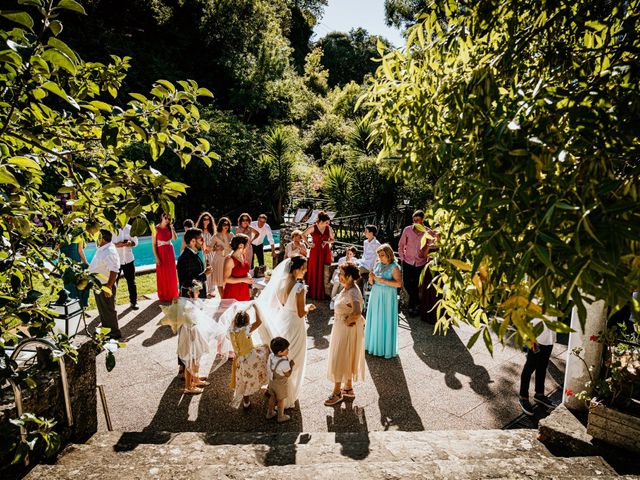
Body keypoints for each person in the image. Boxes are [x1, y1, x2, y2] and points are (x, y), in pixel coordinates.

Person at [254, 255, 315, 409]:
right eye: (304, 268)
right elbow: (301, 312)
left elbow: (282, 303)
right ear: (298, 269)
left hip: (284, 319)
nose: (306, 270)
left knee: (283, 356)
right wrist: (309, 307)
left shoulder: (283, 283)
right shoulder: (300, 287)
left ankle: (276, 389)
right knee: (294, 358)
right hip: (295, 323)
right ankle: (286, 397)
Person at [325, 262, 366, 406]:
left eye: (341, 274)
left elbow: (357, 312)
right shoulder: (347, 288)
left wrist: (349, 320)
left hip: (346, 330)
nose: (339, 276)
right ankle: (348, 387)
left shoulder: (353, 292)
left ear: (349, 276)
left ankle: (337, 392)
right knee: (347, 356)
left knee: (340, 357)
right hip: (341, 328)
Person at [365, 244, 402, 359]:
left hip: (387, 297)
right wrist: (371, 278)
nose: (380, 257)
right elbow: (372, 283)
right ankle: (373, 345)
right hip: (375, 295)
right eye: (379, 255)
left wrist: (382, 280)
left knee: (385, 319)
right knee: (375, 319)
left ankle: (384, 348)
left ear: (389, 254)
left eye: (382, 255)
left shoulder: (394, 267)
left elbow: (399, 284)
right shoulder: (378, 265)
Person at [229, 305, 269, 409]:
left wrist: (238, 313)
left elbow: (233, 322)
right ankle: (267, 384)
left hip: (239, 360)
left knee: (244, 380)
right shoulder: (246, 329)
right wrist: (256, 307)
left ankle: (246, 403)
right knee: (265, 351)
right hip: (250, 357)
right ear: (247, 322)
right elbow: (259, 321)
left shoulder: (231, 330)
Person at [518, 316, 556, 416]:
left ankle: (539, 394)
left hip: (549, 336)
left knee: (542, 366)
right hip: (536, 338)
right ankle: (523, 397)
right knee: (529, 367)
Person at [88, 229, 122, 339]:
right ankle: (107, 331)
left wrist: (108, 286)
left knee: (108, 310)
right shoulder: (104, 248)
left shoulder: (109, 251)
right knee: (103, 310)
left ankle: (114, 334)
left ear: (102, 238)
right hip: (100, 285)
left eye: (97, 235)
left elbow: (114, 270)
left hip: (105, 285)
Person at [397, 210, 430, 316]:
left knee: (416, 284)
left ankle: (412, 307)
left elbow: (433, 245)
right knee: (406, 283)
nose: (415, 222)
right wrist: (402, 257)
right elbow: (401, 245)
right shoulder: (407, 230)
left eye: (418, 220)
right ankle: (417, 303)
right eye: (414, 220)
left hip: (421, 262)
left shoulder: (428, 232)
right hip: (407, 261)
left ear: (422, 220)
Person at [302, 211, 334, 300]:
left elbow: (333, 240)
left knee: (324, 270)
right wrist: (309, 244)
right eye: (326, 222)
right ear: (321, 221)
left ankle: (323, 293)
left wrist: (327, 242)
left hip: (325, 251)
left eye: (328, 222)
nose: (328, 224)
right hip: (315, 252)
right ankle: (312, 292)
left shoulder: (328, 228)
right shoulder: (313, 227)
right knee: (314, 269)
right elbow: (303, 234)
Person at [266, 336, 295, 423]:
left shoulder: (271, 356)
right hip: (280, 384)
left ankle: (269, 413)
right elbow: (288, 374)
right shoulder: (284, 362)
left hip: (272, 381)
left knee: (272, 396)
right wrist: (291, 366)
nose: (288, 350)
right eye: (286, 349)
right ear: (280, 352)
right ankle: (280, 416)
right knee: (281, 400)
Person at [153, 212, 179, 302]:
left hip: (170, 252)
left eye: (169, 218)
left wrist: (172, 227)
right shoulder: (155, 229)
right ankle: (164, 294)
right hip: (161, 253)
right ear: (162, 217)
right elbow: (153, 245)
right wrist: (157, 257)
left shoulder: (169, 227)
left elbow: (175, 239)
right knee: (163, 273)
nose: (167, 220)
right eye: (166, 218)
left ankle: (173, 293)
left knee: (171, 273)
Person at [177, 228, 210, 299]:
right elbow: (185, 281)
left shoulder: (193, 254)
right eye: (201, 239)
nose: (203, 242)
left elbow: (195, 274)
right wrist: (204, 274)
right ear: (192, 241)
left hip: (197, 296)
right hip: (191, 299)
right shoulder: (184, 258)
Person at [59, 234, 90, 308]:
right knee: (70, 286)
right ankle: (75, 307)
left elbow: (80, 250)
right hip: (66, 265)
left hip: (75, 264)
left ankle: (80, 307)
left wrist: (85, 263)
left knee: (79, 284)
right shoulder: (61, 235)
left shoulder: (78, 235)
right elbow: (56, 250)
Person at [114, 222, 139, 310]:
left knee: (131, 282)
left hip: (128, 259)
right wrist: (117, 245)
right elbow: (104, 244)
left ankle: (134, 302)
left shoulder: (130, 228)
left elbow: (136, 242)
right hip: (115, 261)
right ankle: (111, 304)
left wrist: (130, 243)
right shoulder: (111, 228)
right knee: (114, 283)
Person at [222, 234, 253, 301]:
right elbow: (226, 279)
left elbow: (242, 270)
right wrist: (244, 279)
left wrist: (248, 275)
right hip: (233, 293)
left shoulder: (243, 255)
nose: (248, 246)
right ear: (241, 245)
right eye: (247, 244)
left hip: (244, 290)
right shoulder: (230, 259)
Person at [196, 212, 217, 297]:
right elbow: (198, 242)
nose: (206, 221)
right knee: (203, 270)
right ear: (202, 220)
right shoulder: (198, 231)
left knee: (211, 270)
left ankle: (211, 290)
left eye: (208, 219)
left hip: (211, 252)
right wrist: (205, 248)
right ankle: (203, 289)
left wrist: (210, 249)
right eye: (204, 219)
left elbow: (215, 243)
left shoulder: (213, 230)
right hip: (202, 252)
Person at [212, 217, 234, 297]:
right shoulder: (216, 236)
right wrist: (217, 248)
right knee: (219, 280)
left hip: (228, 259)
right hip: (219, 260)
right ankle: (223, 298)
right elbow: (210, 248)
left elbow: (235, 246)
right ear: (221, 225)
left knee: (229, 279)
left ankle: (229, 296)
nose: (226, 226)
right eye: (224, 224)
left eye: (227, 224)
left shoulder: (231, 235)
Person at [358, 224, 381, 291]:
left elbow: (378, 258)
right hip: (363, 262)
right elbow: (364, 254)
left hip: (369, 266)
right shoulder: (365, 242)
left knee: (355, 271)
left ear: (371, 233)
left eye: (366, 231)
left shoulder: (377, 244)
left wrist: (373, 269)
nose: (364, 233)